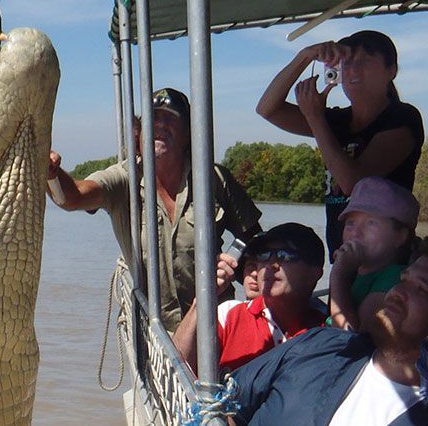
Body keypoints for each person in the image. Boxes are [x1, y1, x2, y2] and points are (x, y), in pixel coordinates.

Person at [48, 88, 262, 332]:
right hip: (155, 332)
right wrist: (51, 174)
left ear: (188, 134)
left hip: (215, 322)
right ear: (138, 135)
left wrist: (237, 265)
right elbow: (71, 197)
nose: (160, 125)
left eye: (170, 119)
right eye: (153, 119)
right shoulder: (124, 179)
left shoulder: (214, 178)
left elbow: (253, 236)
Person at [256, 30, 424, 259]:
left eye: (365, 60)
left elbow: (353, 184)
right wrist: (304, 57)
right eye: (347, 62)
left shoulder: (402, 117)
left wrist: (315, 117)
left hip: (385, 261)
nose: (353, 69)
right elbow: (267, 109)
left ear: (391, 71)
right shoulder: (337, 121)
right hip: (344, 256)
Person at [229, 254, 428, 425]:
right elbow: (225, 406)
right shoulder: (320, 345)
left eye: (422, 289)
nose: (397, 292)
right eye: (403, 280)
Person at [173, 223, 325, 372]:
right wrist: (202, 298)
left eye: (285, 256)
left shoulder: (326, 328)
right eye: (264, 255)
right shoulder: (228, 315)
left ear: (314, 272)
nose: (270, 264)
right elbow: (175, 367)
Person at [330, 176, 420, 331]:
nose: (356, 233)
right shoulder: (356, 274)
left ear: (400, 236)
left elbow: (349, 337)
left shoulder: (394, 278)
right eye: (350, 223)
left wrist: (338, 274)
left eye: (371, 223)